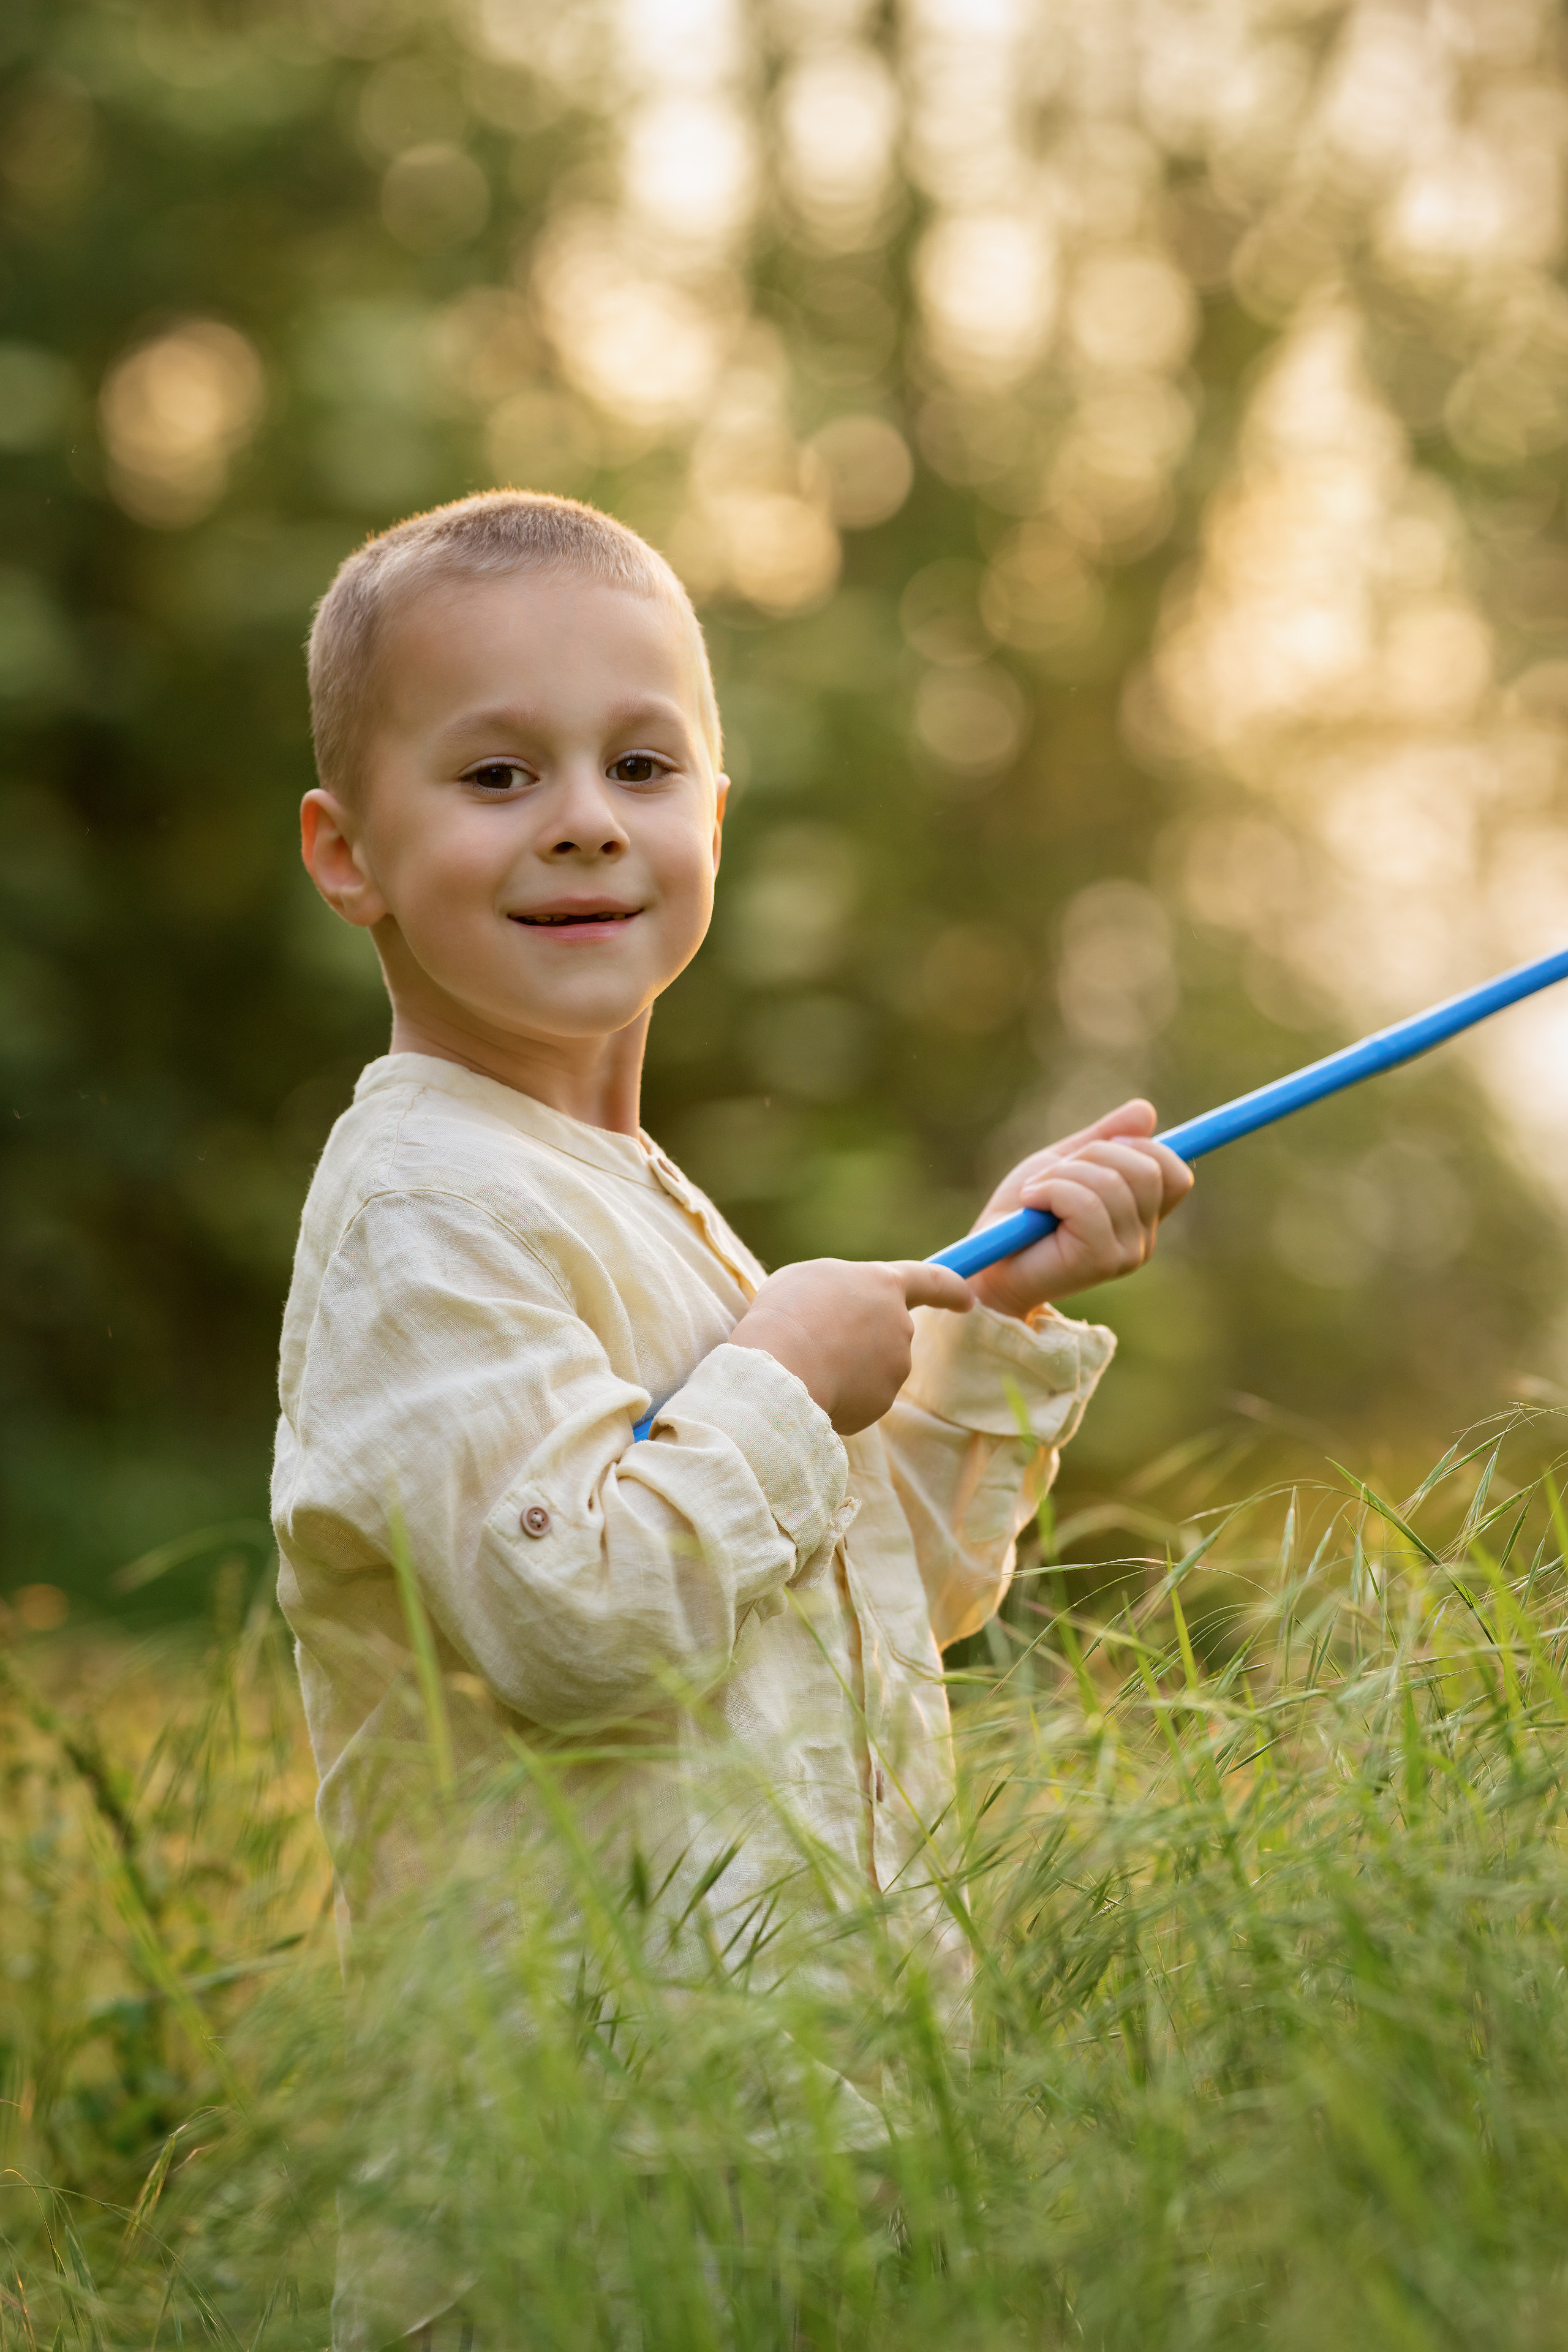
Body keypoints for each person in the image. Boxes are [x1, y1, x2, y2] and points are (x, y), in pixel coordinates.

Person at [273, 489, 1193, 2345]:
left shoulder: (621, 1191)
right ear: (348, 851)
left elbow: (872, 1602)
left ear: (714, 812)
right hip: (586, 2175)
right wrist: (777, 1376)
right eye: (497, 776)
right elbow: (581, 1622)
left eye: (638, 762)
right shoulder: (430, 1211)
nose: (586, 818)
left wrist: (986, 1322)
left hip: (791, 2115)